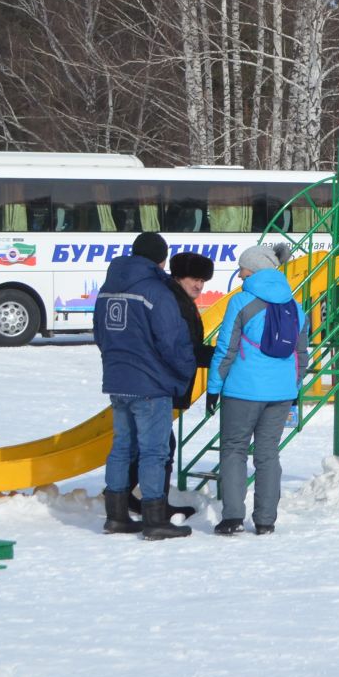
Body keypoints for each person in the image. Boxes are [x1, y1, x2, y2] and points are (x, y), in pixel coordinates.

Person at [95, 231, 197, 541]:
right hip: (151, 384)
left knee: (122, 447)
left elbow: (100, 333)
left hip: (117, 380)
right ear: (161, 259)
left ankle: (116, 516)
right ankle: (154, 519)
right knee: (155, 451)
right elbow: (171, 340)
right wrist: (184, 371)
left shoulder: (107, 288)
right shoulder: (156, 291)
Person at [206, 244, 306, 536]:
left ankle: (233, 516)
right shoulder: (296, 306)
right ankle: (265, 521)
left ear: (254, 270)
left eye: (243, 269)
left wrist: (214, 387)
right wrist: (293, 386)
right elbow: (302, 354)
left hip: (243, 391)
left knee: (234, 450)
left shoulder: (241, 303)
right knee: (267, 454)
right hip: (281, 393)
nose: (239, 274)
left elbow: (226, 350)